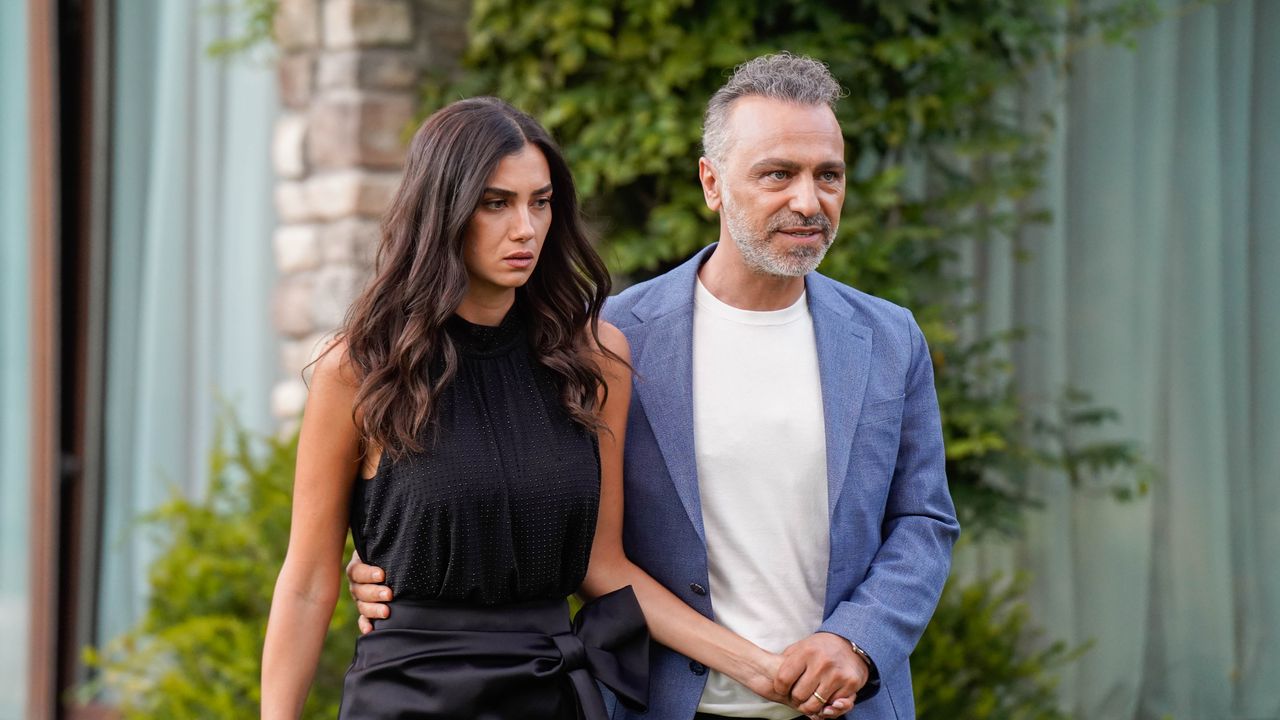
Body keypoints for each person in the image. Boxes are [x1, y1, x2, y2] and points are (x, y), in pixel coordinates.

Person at [348, 53, 959, 719]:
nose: (808, 202)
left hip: (848, 706)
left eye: (828, 175)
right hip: (661, 704)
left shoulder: (889, 338)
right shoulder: (610, 342)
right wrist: (403, 570)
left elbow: (923, 521)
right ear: (712, 183)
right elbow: (538, 502)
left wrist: (857, 640)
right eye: (778, 174)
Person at [260, 96, 856, 720]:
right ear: (442, 211)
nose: (525, 228)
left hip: (551, 694)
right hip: (406, 696)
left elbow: (603, 567)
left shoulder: (595, 360)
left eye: (539, 202)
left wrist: (760, 669)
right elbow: (306, 582)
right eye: (496, 203)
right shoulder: (360, 369)